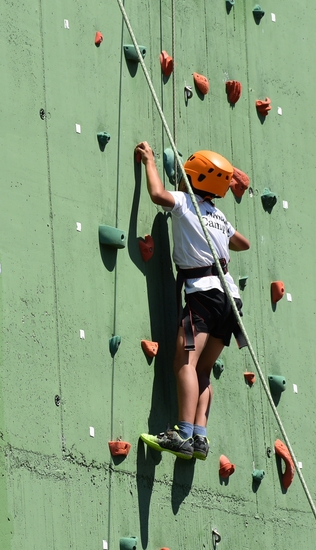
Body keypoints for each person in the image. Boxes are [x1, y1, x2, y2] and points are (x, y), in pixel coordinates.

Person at [137, 142, 250, 460]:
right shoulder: (217, 214)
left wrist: (149, 161)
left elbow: (158, 195)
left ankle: (182, 434)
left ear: (195, 177)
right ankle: (200, 437)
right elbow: (243, 243)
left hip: (203, 294)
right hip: (230, 300)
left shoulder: (186, 203)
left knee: (183, 362)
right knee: (204, 368)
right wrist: (220, 235)